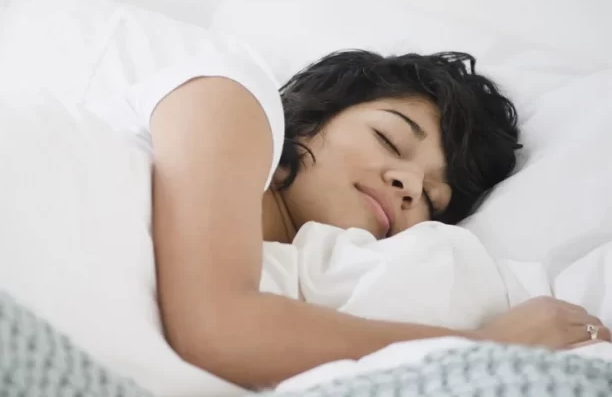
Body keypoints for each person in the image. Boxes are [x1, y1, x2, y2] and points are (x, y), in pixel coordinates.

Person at [107, 48, 610, 389]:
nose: (410, 186)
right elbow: (215, 331)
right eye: (389, 139)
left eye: (432, 199)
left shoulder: (300, 287)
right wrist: (485, 345)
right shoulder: (231, 96)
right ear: (311, 114)